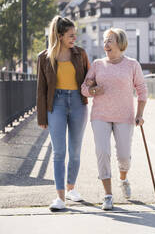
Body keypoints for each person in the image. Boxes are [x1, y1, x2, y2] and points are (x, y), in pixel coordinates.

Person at [81, 27, 147, 210]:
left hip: (124, 116)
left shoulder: (132, 65)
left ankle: (123, 179)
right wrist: (94, 90)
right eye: (104, 40)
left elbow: (141, 89)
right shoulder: (97, 65)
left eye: (110, 40)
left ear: (120, 43)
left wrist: (139, 114)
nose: (106, 44)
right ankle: (108, 195)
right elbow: (84, 89)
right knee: (103, 152)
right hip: (100, 115)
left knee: (124, 155)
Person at [36, 16, 90, 210]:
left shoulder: (80, 54)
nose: (74, 38)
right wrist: (42, 117)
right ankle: (60, 198)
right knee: (59, 152)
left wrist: (94, 87)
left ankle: (71, 188)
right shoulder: (44, 57)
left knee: (75, 151)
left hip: (78, 103)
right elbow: (41, 89)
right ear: (59, 36)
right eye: (70, 35)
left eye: (75, 35)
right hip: (55, 104)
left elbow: (90, 78)